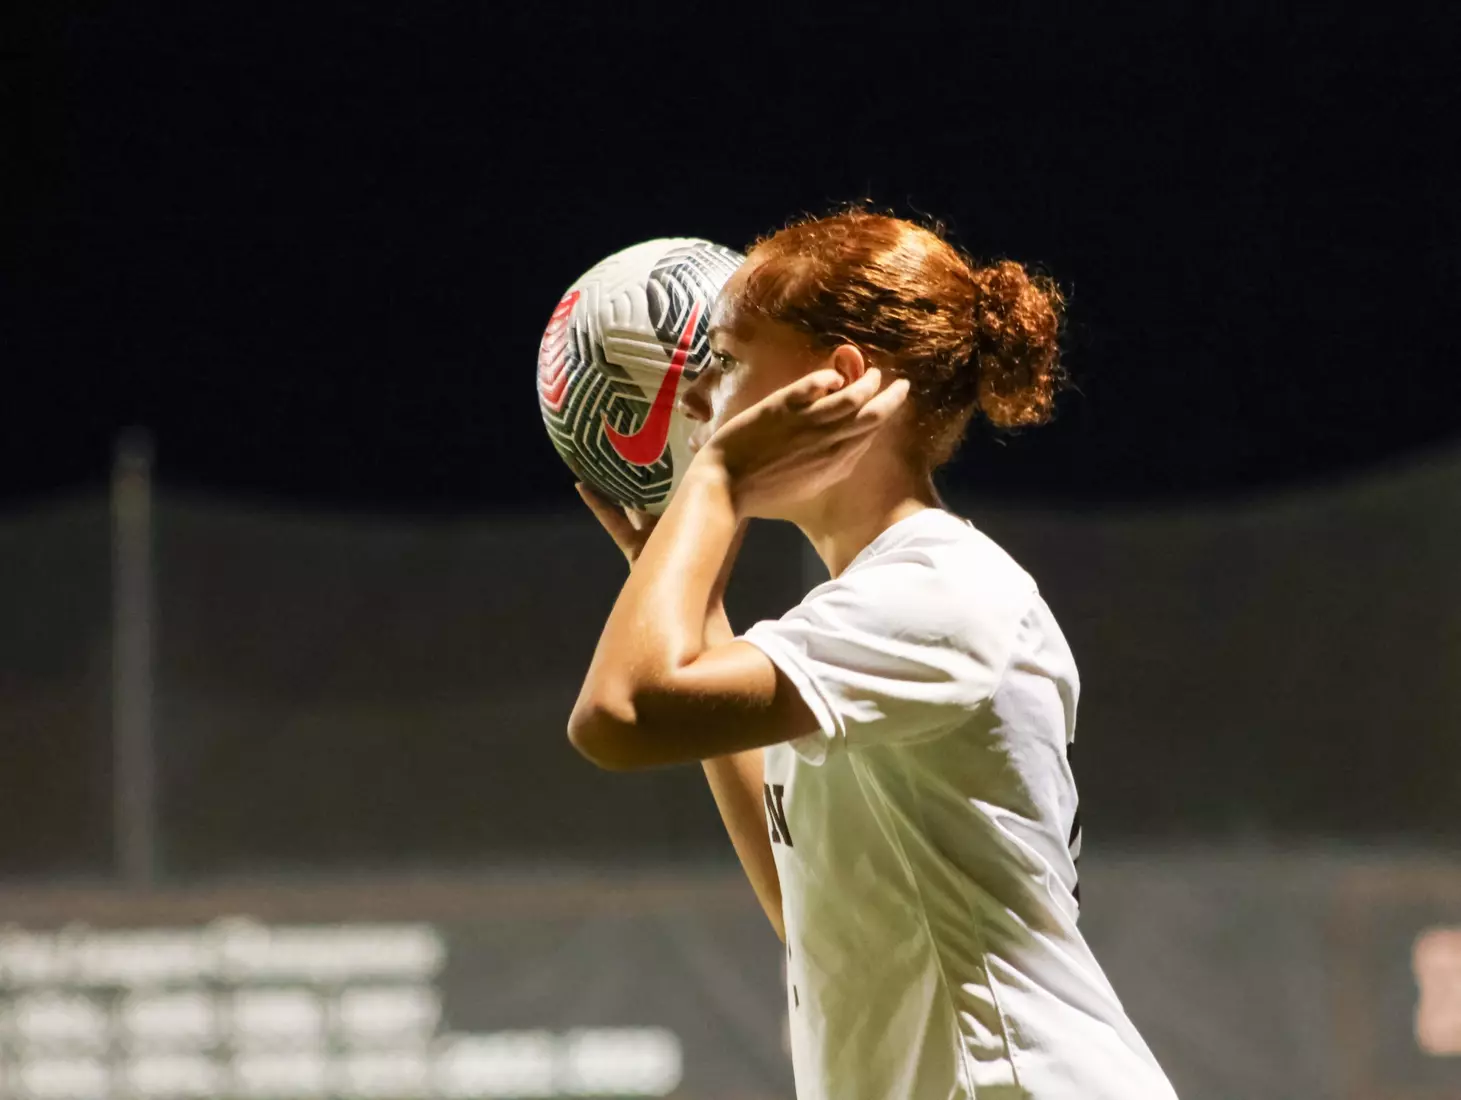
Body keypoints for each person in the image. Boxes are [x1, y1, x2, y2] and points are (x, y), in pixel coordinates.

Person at [569, 209, 1178, 1100]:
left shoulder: (939, 590)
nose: (697, 400)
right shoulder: (870, 608)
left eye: (728, 359)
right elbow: (804, 901)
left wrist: (716, 484)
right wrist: (676, 582)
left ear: (840, 377)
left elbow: (620, 718)